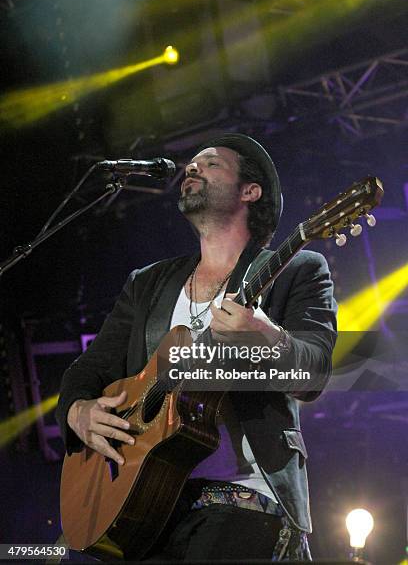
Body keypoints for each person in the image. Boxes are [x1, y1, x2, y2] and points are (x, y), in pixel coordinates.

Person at [56, 133, 337, 562]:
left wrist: (267, 337)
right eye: (191, 164)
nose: (191, 168)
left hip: (246, 499)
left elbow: (313, 373)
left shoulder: (298, 269)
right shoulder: (147, 283)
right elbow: (88, 369)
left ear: (250, 191)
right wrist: (77, 411)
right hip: (146, 504)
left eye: (210, 164)